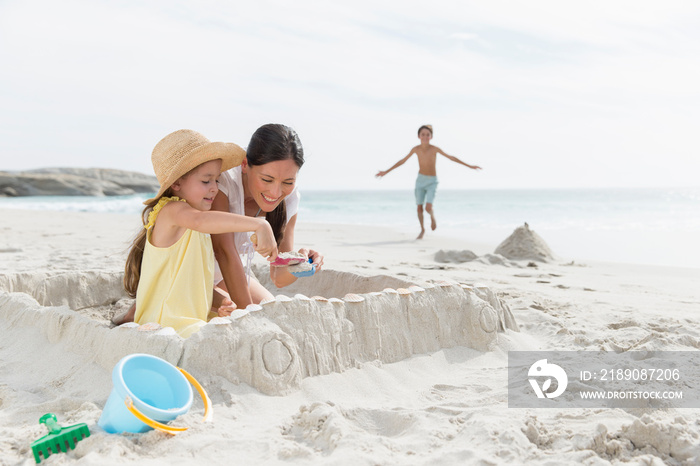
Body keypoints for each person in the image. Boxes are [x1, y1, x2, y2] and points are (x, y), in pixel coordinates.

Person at [121, 129, 278, 337]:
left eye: (217, 180)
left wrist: (221, 301)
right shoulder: (171, 211)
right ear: (176, 183)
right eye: (206, 181)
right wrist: (259, 225)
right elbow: (200, 220)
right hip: (165, 324)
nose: (214, 188)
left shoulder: (199, 232)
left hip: (192, 320)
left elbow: (196, 284)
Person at [212, 123, 324, 306]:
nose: (275, 192)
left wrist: (298, 263)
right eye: (266, 179)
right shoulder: (224, 183)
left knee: (272, 309)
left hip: (224, 276)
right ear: (245, 164)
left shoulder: (289, 199)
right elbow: (224, 253)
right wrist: (248, 313)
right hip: (194, 273)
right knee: (244, 313)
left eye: (288, 182)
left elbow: (279, 277)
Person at [375, 124, 482, 239]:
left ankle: (432, 216)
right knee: (419, 207)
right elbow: (402, 161)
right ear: (418, 136)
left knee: (428, 207)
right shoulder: (415, 149)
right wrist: (386, 171)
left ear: (431, 137)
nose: (425, 137)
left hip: (432, 181)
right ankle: (422, 229)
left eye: (428, 135)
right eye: (423, 135)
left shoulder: (434, 149)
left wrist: (469, 166)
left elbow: (451, 158)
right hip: (420, 180)